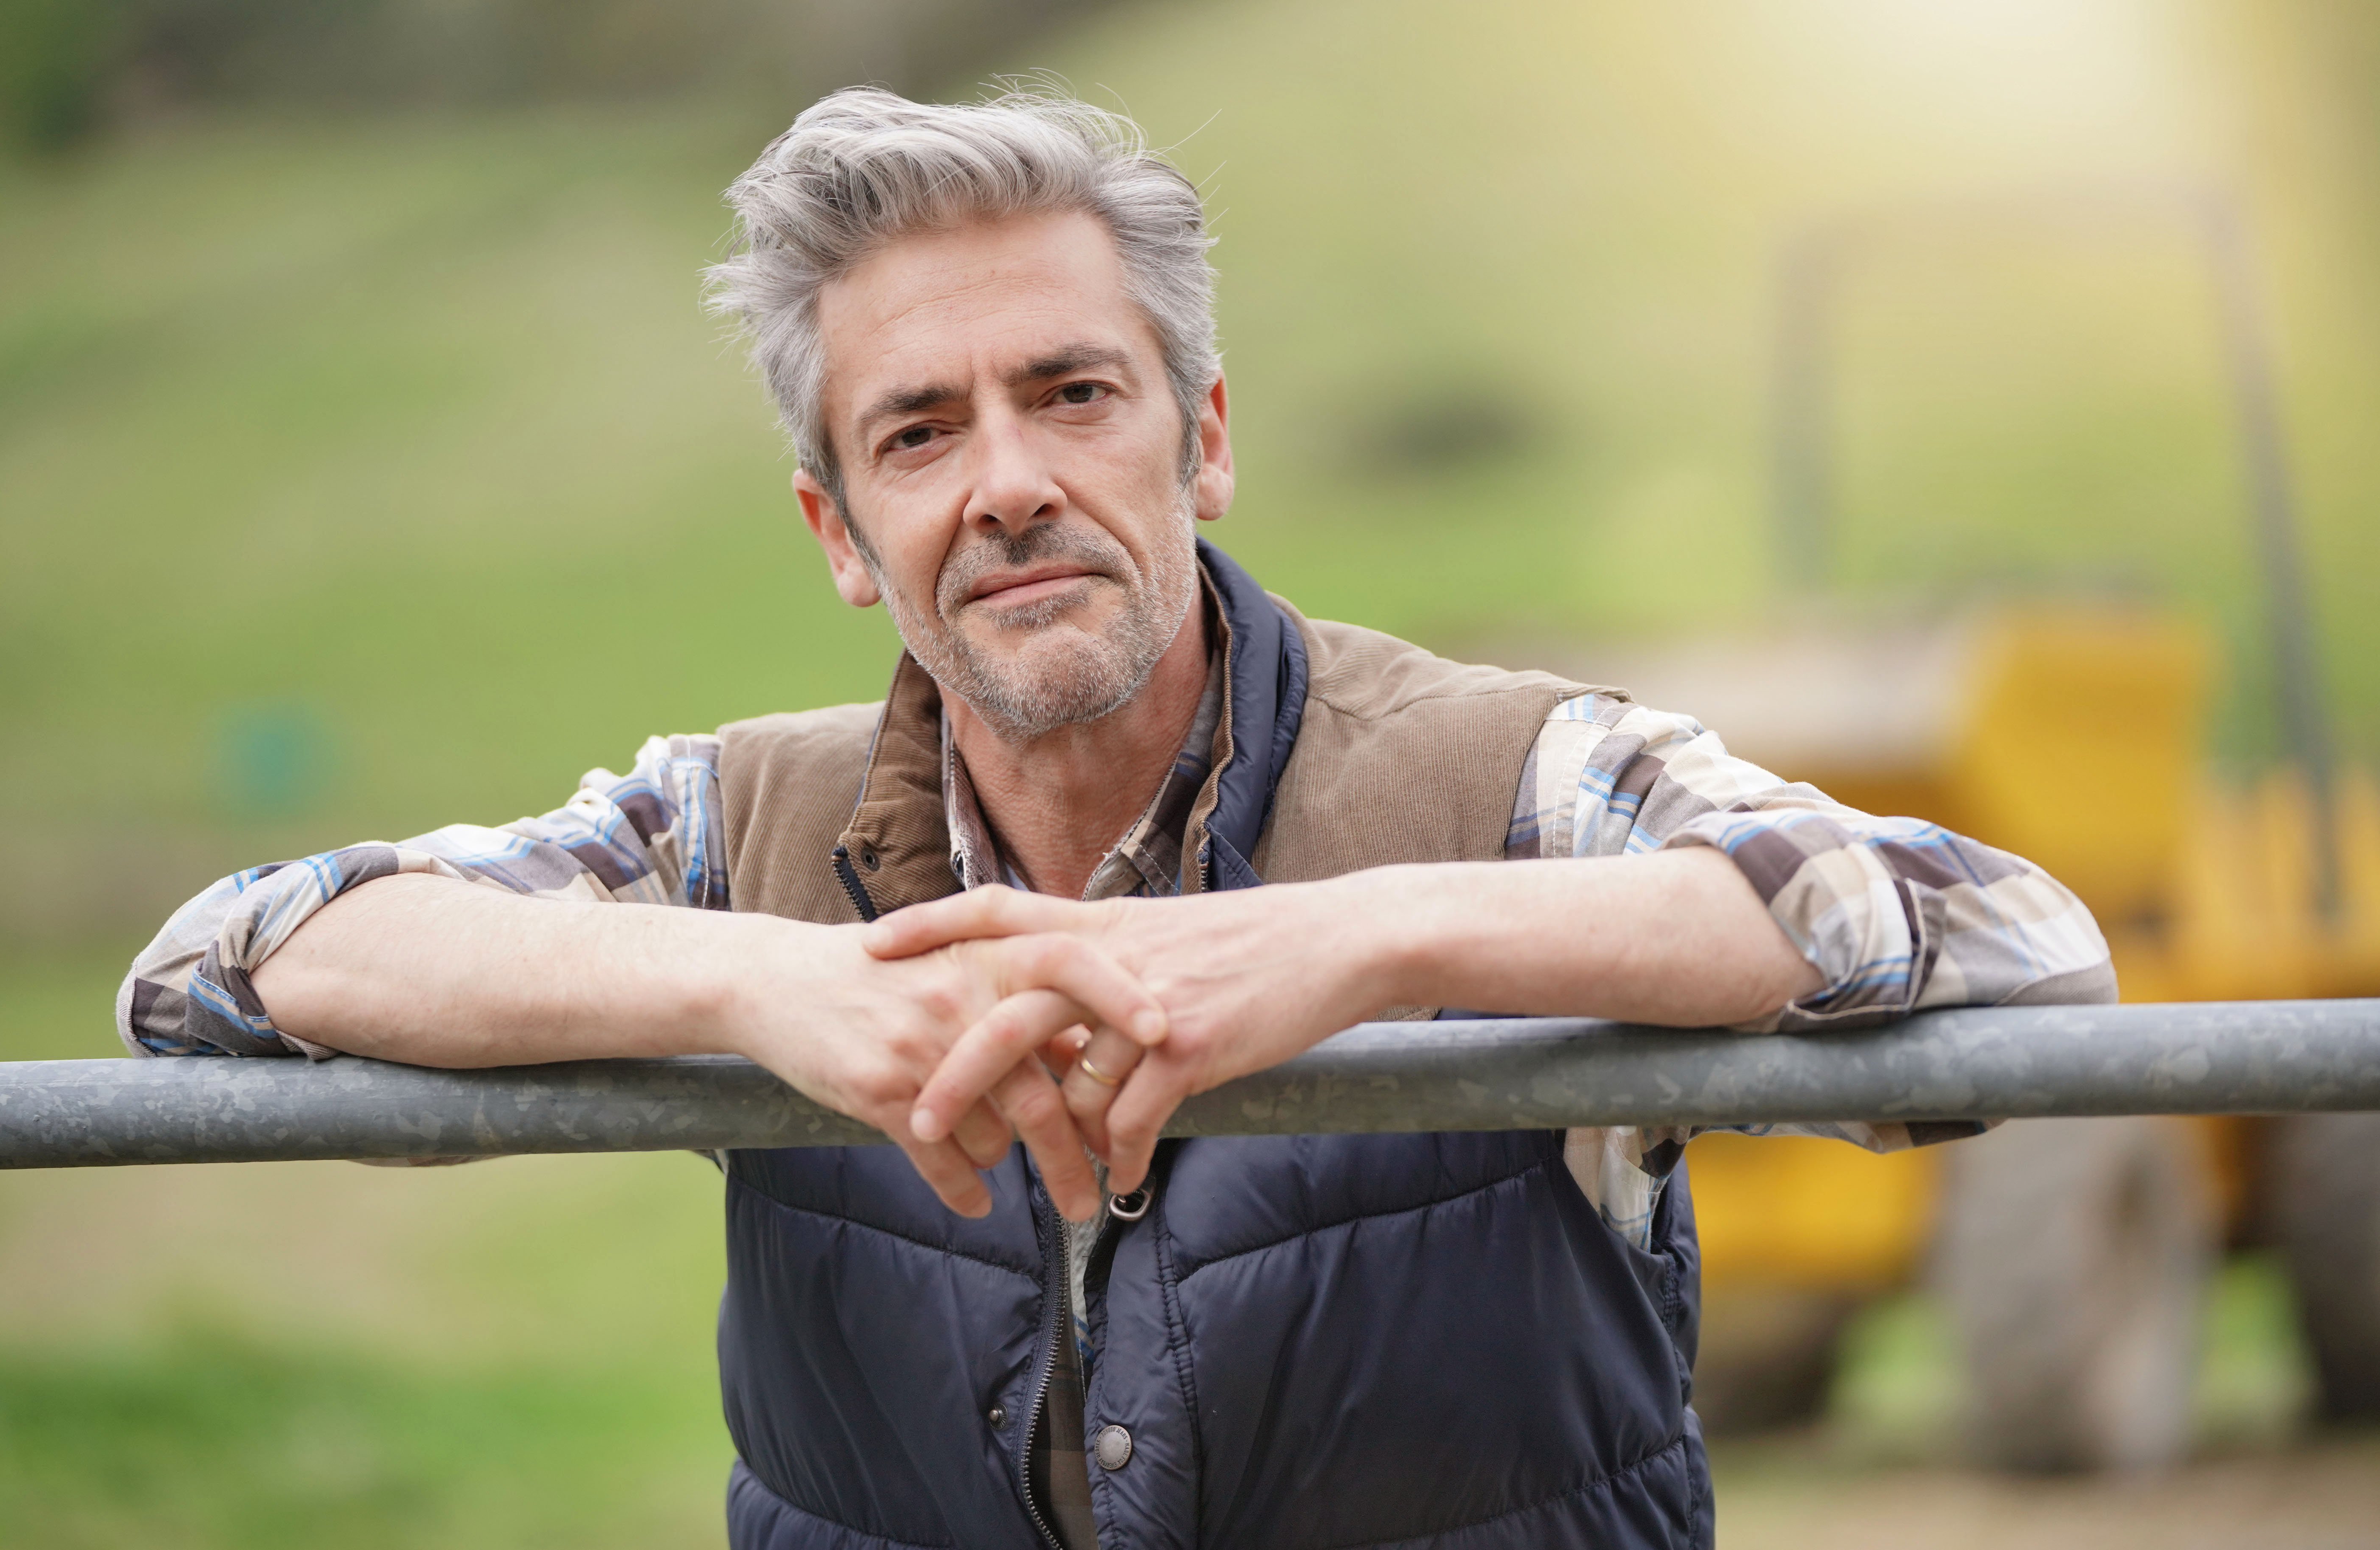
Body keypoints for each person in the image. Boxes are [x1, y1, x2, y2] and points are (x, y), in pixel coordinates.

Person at [119, 87, 2114, 1550]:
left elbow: (2018, 934)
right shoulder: (740, 823)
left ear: (1207, 433)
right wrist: (762, 986)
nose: (1004, 483)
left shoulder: (1502, 778)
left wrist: (1371, 939)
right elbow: (223, 960)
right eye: (918, 430)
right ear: (840, 530)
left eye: (1072, 392)